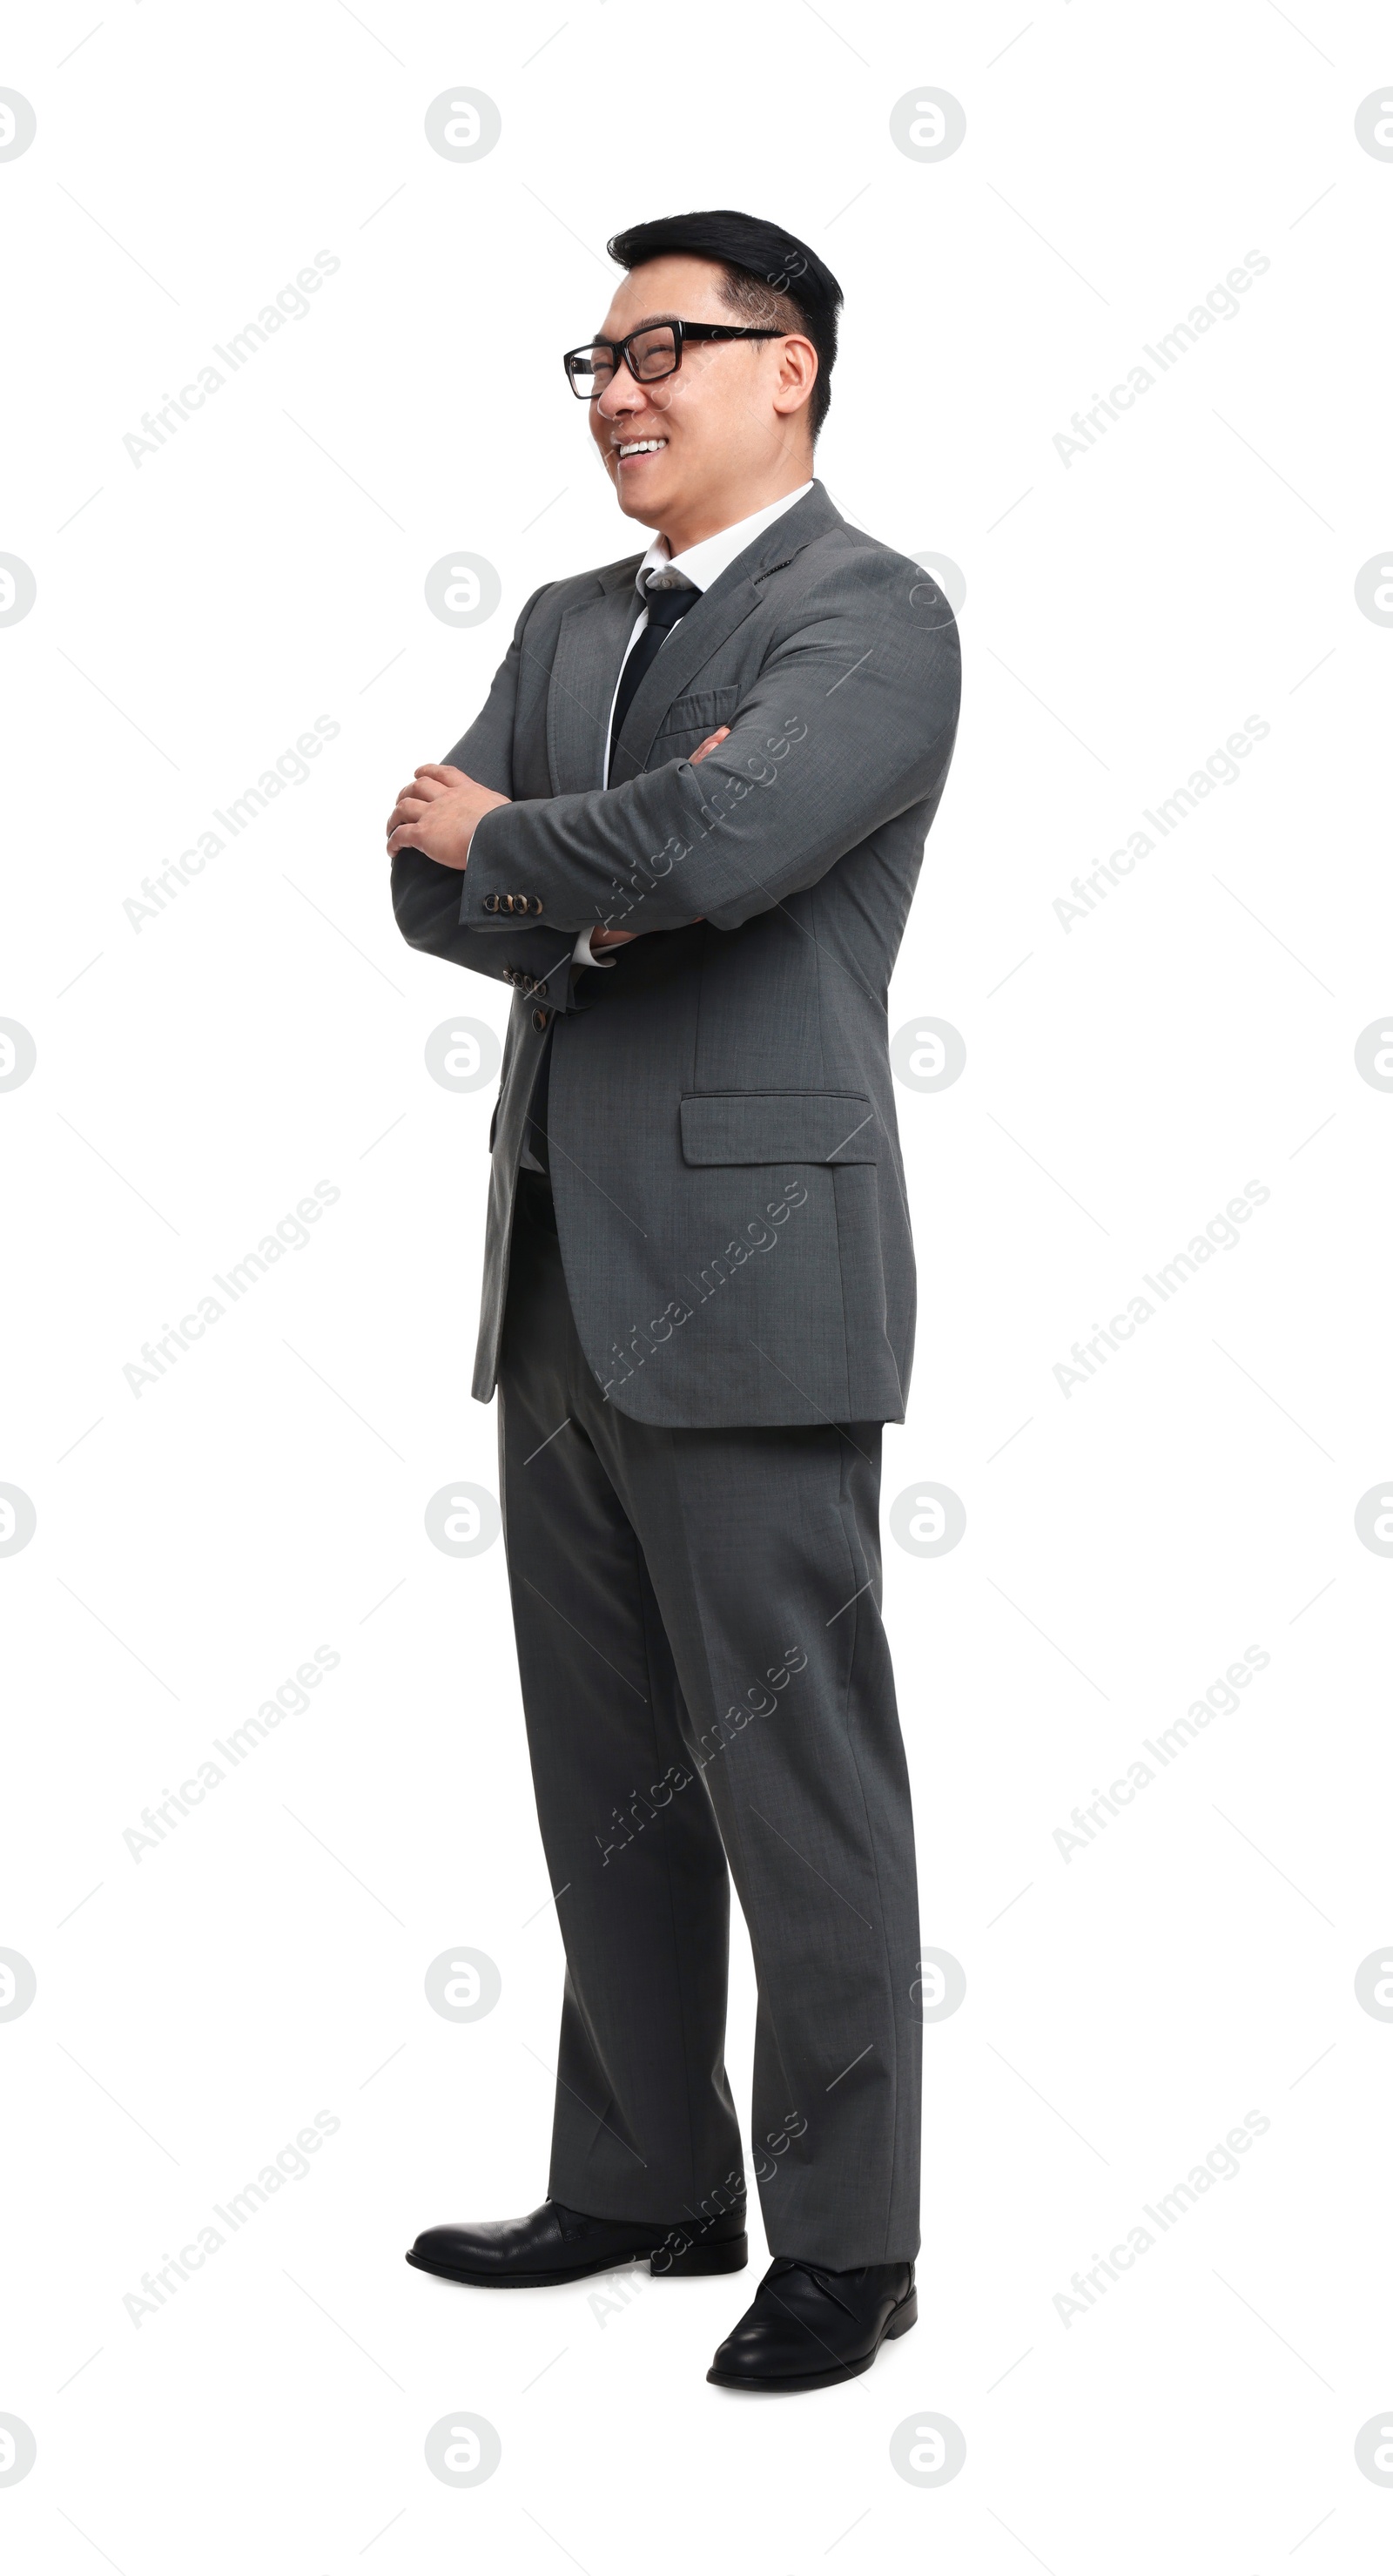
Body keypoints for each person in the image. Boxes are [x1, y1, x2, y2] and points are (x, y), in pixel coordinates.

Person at [387, 207, 960, 2393]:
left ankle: (848, 2237)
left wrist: (530, 843)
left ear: (787, 369)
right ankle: (640, 2176)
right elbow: (420, 881)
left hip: (756, 1277)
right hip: (551, 1266)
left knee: (795, 1781)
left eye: (663, 349)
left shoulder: (871, 618)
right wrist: (579, 867)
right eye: (595, 358)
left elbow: (729, 853)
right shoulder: (559, 622)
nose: (617, 389)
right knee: (604, 1768)